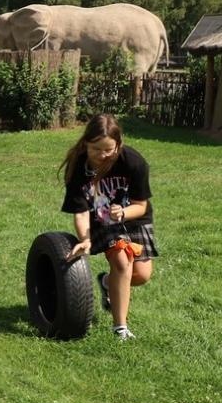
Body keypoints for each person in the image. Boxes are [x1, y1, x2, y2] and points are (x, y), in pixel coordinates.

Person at [60, 113, 156, 341]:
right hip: (101, 219)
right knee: (122, 260)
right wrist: (85, 239)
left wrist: (123, 213)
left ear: (118, 145)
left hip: (134, 217)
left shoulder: (134, 162)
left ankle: (107, 282)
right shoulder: (78, 167)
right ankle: (120, 328)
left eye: (108, 150)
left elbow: (141, 205)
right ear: (86, 143)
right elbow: (81, 210)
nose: (102, 155)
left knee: (142, 275)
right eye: (96, 149)